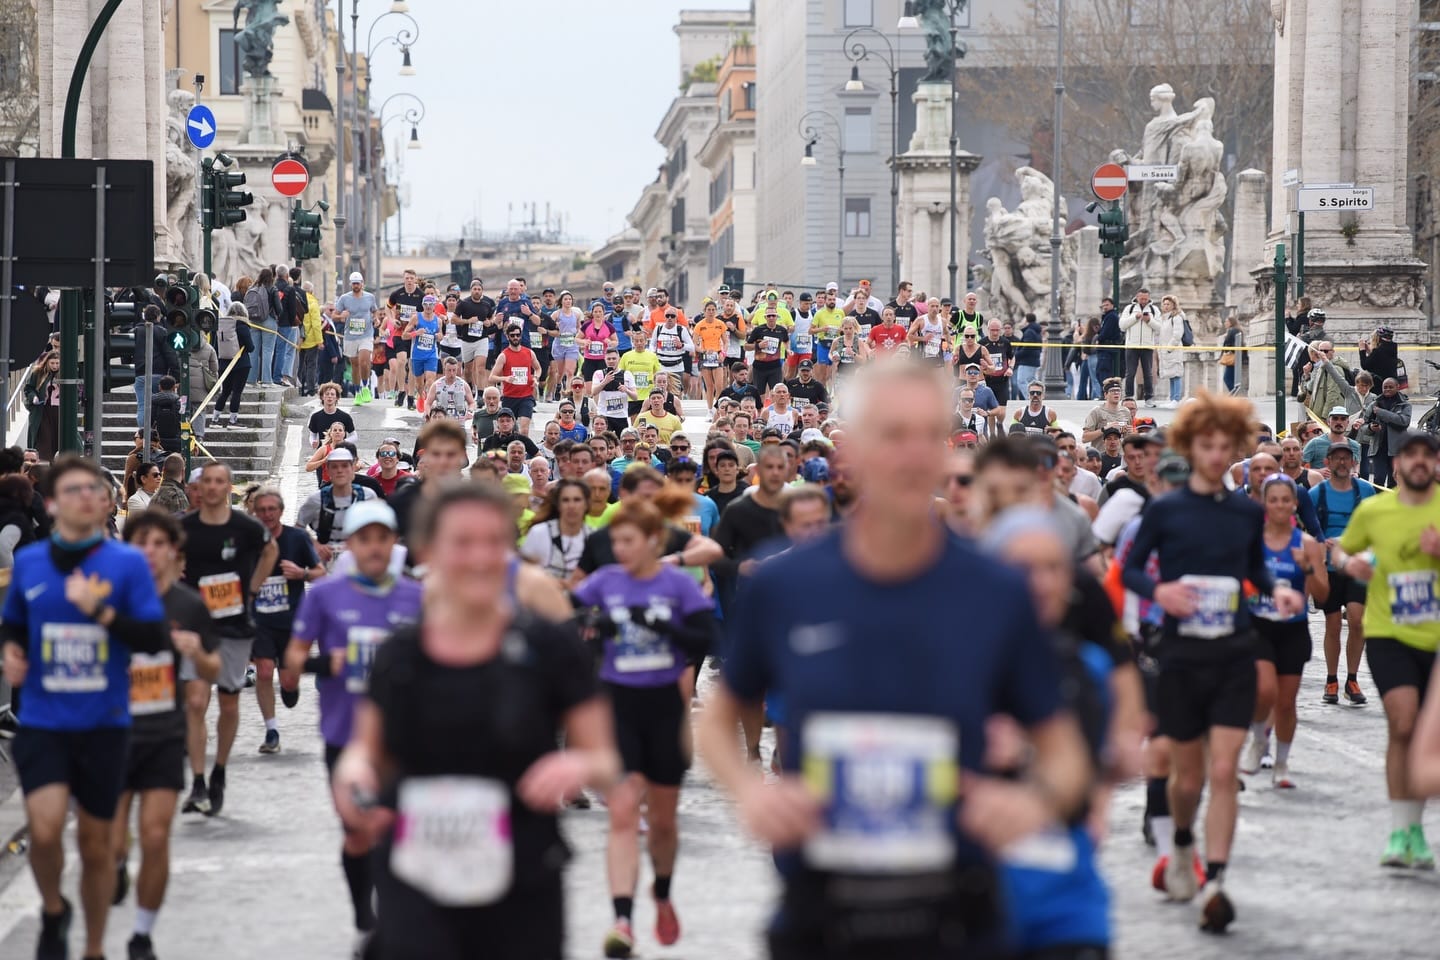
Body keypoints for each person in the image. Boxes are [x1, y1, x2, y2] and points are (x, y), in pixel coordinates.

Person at [698, 360, 1089, 960]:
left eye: (928, 435)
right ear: (852, 450)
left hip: (958, 910)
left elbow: (1063, 750)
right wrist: (750, 793)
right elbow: (718, 720)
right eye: (893, 434)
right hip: (823, 910)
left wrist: (1033, 801)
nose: (912, 454)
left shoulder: (996, 589)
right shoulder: (787, 584)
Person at [330, 482, 619, 960]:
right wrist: (353, 774)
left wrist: (578, 765)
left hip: (522, 872)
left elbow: (605, 759)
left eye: (493, 542)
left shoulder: (549, 647)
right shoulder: (401, 654)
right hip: (417, 870)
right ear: (428, 552)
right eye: (463, 543)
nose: (481, 558)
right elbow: (366, 749)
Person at [1122, 391, 1306, 930]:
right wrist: (1160, 592)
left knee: (1223, 770)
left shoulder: (1247, 512)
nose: (1215, 455)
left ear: (1235, 450)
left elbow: (1254, 568)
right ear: (1190, 447)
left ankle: (1216, 882)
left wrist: (1278, 589)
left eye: (1225, 446)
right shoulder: (1165, 509)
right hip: (1180, 655)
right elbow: (1130, 569)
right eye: (1206, 446)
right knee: (1187, 779)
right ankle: (1182, 844)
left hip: (1233, 653)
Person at [1, 456, 168, 960]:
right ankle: (55, 910)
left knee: (96, 846)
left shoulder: (127, 564)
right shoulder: (32, 562)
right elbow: (13, 624)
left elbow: (152, 636)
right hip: (44, 721)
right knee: (44, 830)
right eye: (73, 490)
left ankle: (94, 947)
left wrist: (100, 612)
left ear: (103, 503)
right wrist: (12, 651)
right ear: (53, 504)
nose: (85, 498)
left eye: (94, 490)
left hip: (104, 723)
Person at [572, 496, 716, 958]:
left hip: (663, 709)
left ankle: (663, 893)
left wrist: (662, 627)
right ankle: (622, 920)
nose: (619, 550)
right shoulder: (605, 581)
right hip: (619, 705)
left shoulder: (677, 584)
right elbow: (568, 616)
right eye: (615, 542)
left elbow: (705, 638)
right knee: (622, 812)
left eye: (628, 541)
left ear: (654, 541)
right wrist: (593, 626)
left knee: (663, 823)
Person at [283, 499, 422, 957]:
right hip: (345, 735)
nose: (375, 547)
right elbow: (293, 660)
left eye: (383, 538)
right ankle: (365, 916)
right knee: (359, 833)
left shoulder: (417, 597)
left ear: (395, 543)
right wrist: (327, 664)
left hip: (404, 737)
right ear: (352, 546)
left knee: (399, 831)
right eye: (365, 538)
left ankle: (396, 921)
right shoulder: (325, 596)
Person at [1328, 430, 1440, 868]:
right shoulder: (1375, 510)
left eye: (1427, 455)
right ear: (1396, 464)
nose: (1418, 462)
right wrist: (1349, 563)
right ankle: (1400, 830)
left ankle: (1416, 829)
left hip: (1435, 638)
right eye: (1410, 455)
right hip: (1388, 633)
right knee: (1403, 722)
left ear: (1435, 464)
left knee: (1425, 735)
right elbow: (1340, 551)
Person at [115, 509, 221, 960]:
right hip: (112, 734)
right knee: (110, 841)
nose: (150, 551)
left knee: (156, 836)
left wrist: (197, 653)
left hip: (162, 731)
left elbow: (213, 668)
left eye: (159, 543)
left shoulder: (189, 605)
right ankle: (117, 863)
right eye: (141, 542)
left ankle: (142, 934)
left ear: (173, 552)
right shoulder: (109, 600)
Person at [180, 460, 278, 816]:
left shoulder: (245, 526)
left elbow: (271, 550)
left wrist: (252, 588)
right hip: (195, 625)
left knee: (229, 703)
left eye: (219, 481)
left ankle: (219, 770)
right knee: (194, 701)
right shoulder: (184, 527)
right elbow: (167, 558)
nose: (212, 487)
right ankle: (197, 780)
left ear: (228, 487)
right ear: (199, 487)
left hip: (234, 623)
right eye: (207, 481)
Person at [1238, 476, 1328, 789]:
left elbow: (1323, 594)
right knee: (1265, 691)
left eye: (1285, 500)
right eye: (1273, 500)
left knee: (1286, 703)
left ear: (1294, 504)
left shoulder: (1306, 544)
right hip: (1259, 626)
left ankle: (1282, 762)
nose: (1279, 506)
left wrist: (1307, 569)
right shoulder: (1252, 539)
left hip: (1293, 629)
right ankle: (1258, 739)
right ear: (1264, 503)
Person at [249, 488, 323, 754]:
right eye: (262, 510)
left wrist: (301, 573)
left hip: (292, 621)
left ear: (281, 511)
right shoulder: (249, 540)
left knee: (289, 682)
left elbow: (320, 573)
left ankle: (290, 686)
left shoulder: (297, 538)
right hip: (260, 621)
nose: (267, 514)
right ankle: (271, 731)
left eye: (272, 509)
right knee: (264, 671)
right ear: (255, 512)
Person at [1308, 442, 1377, 706]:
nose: (1342, 462)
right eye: (1336, 458)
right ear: (1327, 462)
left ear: (1353, 462)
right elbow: (1307, 527)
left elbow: (1374, 527)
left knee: (1357, 620)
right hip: (1328, 569)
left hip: (1357, 566)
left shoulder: (1366, 491)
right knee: (1333, 624)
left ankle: (1352, 679)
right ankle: (1331, 679)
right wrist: (1320, 543)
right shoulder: (1317, 493)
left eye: (1346, 458)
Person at [520, 479, 590, 580]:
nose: (571, 506)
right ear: (558, 505)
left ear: (586, 504)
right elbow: (522, 574)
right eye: (565, 500)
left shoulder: (593, 537)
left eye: (577, 500)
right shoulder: (538, 533)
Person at [489, 323, 543, 434]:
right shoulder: (503, 355)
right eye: (512, 335)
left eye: (518, 335)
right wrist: (505, 378)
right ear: (507, 336)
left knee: (524, 430)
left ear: (521, 336)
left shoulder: (529, 353)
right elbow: (492, 377)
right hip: (509, 397)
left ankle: (523, 445)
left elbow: (538, 368)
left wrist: (535, 378)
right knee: (508, 430)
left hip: (526, 397)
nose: (515, 338)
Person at [336, 272, 379, 404]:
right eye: (354, 283)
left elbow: (375, 311)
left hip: (366, 335)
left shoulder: (370, 297)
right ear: (351, 284)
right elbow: (334, 315)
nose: (356, 286)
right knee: (355, 365)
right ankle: (358, 392)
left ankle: (365, 387)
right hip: (350, 336)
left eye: (358, 283)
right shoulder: (344, 298)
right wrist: (341, 316)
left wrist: (376, 319)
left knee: (364, 362)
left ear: (362, 284)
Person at [214, 302, 256, 429]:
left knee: (225, 392)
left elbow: (216, 347)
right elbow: (250, 347)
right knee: (237, 392)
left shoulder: (222, 326)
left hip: (224, 363)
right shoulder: (242, 326)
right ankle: (233, 421)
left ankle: (215, 420)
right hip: (241, 364)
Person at [1364, 377, 1411, 487]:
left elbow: (1404, 421)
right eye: (1385, 387)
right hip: (1379, 449)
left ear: (1397, 387)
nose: (1387, 389)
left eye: (1390, 387)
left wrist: (1381, 413)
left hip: (1397, 451)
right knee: (1378, 479)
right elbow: (1363, 427)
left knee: (1394, 481)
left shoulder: (1405, 405)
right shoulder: (1375, 404)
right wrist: (1370, 428)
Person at [1119, 288, 1160, 405]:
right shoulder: (1129, 309)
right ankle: (1128, 396)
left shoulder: (1154, 310)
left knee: (1148, 373)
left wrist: (1149, 320)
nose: (1144, 301)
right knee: (1130, 372)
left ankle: (1149, 398)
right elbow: (1122, 325)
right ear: (1137, 297)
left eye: (1146, 299)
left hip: (1147, 346)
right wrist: (1135, 317)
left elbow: (1159, 327)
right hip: (1132, 345)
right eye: (1141, 298)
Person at [1156, 295, 1188, 407]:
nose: (1166, 306)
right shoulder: (1164, 318)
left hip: (1173, 350)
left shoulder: (1176, 318)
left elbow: (1177, 335)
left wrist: (1169, 348)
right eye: (1164, 304)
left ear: (1173, 305)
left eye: (1168, 304)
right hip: (1166, 350)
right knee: (1171, 374)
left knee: (1176, 374)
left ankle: (1176, 399)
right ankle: (1172, 398)